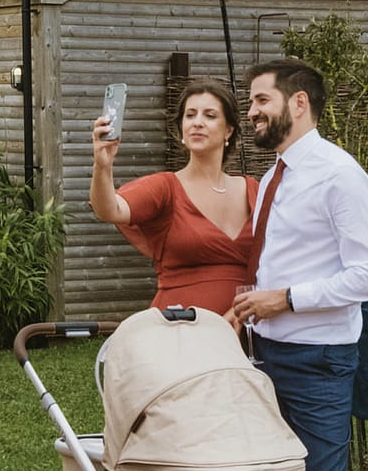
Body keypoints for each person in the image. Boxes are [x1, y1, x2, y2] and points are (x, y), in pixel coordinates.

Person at [230, 59, 368, 471]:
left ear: (298, 104)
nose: (250, 112)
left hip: (320, 361)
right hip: (268, 355)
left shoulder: (340, 175)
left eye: (260, 101)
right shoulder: (278, 171)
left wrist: (288, 299)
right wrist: (251, 305)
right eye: (250, 102)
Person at [88, 78, 259, 314]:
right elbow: (109, 210)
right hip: (180, 326)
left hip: (248, 329)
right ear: (181, 129)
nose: (197, 122)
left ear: (228, 130)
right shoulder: (164, 187)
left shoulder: (254, 190)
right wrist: (102, 165)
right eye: (190, 115)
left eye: (209, 115)